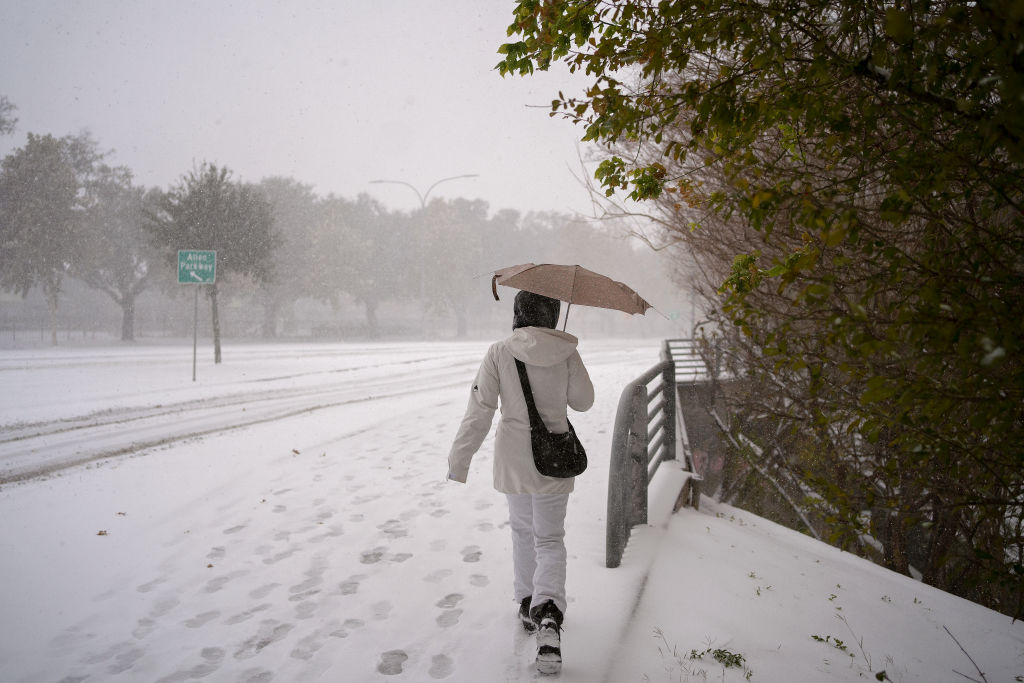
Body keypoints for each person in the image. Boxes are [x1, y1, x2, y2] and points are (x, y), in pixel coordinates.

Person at [447, 290, 594, 675]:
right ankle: (548, 615)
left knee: (522, 532)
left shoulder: (499, 352)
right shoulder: (566, 352)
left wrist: (459, 461)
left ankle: (528, 600)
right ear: (552, 313)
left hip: (513, 460)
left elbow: (479, 410)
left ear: (518, 314)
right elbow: (584, 401)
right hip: (554, 461)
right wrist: (563, 365)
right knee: (549, 538)